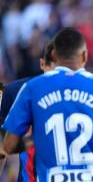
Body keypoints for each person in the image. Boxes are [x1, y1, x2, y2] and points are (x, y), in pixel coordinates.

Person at [2, 27, 93, 182]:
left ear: (53, 55)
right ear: (85, 56)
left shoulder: (32, 88)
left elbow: (9, 145)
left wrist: (36, 137)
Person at [0, 40, 56, 181]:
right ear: (43, 64)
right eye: (55, 67)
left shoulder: (81, 96)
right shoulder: (15, 92)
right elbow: (2, 146)